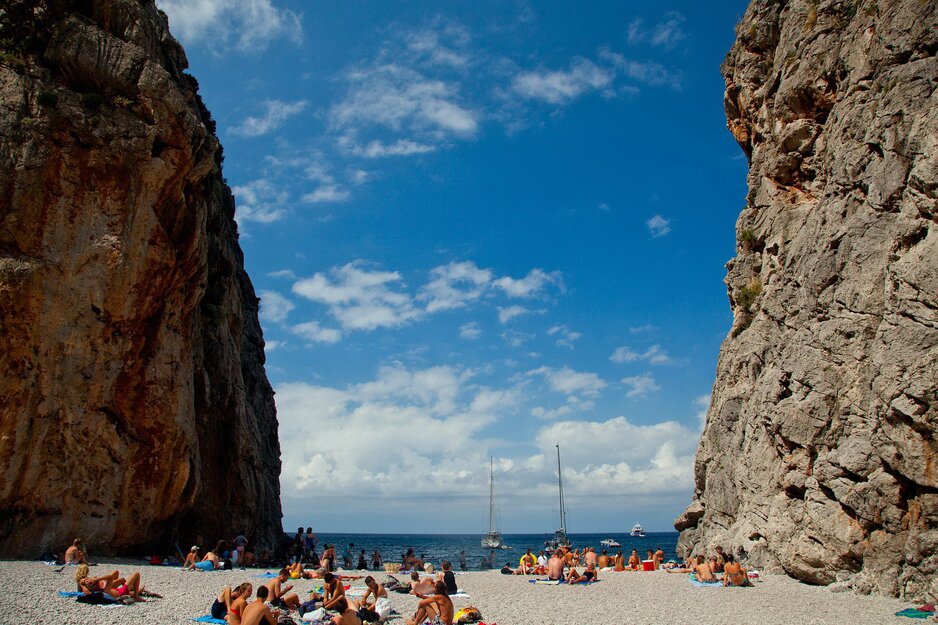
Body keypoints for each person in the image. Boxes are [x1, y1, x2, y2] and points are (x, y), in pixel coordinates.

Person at [75, 564, 145, 602]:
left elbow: (87, 591)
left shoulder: (102, 590)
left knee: (131, 589)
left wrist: (88, 583)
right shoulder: (105, 590)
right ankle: (136, 596)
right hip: (121, 592)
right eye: (100, 583)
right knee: (136, 574)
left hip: (118, 592)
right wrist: (97, 579)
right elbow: (110, 577)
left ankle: (137, 591)